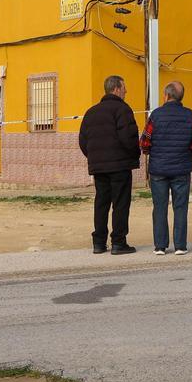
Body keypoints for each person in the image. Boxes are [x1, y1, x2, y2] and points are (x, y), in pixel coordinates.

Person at [140, 81, 192, 255]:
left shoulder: (156, 115)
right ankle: (180, 246)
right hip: (181, 169)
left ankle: (160, 246)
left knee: (159, 207)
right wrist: (187, 152)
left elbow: (144, 141)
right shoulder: (190, 115)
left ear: (166, 95)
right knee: (181, 207)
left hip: (158, 169)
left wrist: (151, 153)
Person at [78, 75, 140, 255]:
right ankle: (118, 242)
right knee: (120, 204)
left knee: (101, 203)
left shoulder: (91, 112)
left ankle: (99, 243)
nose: (126, 91)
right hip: (120, 166)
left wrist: (94, 157)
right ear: (117, 89)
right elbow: (128, 138)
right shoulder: (122, 110)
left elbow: (83, 140)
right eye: (124, 87)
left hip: (99, 167)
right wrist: (134, 156)